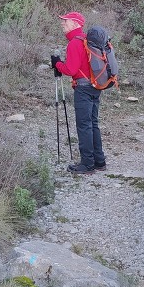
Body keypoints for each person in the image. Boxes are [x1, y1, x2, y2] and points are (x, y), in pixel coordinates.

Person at [52, 12, 107, 175]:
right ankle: (99, 161)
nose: (62, 23)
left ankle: (87, 164)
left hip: (83, 89)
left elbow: (71, 69)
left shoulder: (74, 43)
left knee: (84, 126)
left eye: (66, 21)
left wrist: (57, 64)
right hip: (95, 86)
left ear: (76, 24)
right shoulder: (86, 40)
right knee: (93, 123)